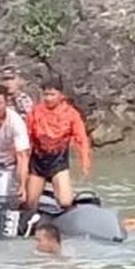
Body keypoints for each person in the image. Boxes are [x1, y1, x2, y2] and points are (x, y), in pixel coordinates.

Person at [22, 74, 91, 232]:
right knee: (30, 202)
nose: (48, 98)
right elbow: (26, 140)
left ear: (61, 95)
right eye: (45, 94)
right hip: (37, 162)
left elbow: (81, 139)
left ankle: (71, 225)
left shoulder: (71, 114)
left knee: (66, 201)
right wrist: (22, 167)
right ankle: (27, 225)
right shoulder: (34, 113)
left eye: (52, 94)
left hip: (58, 162)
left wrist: (85, 162)